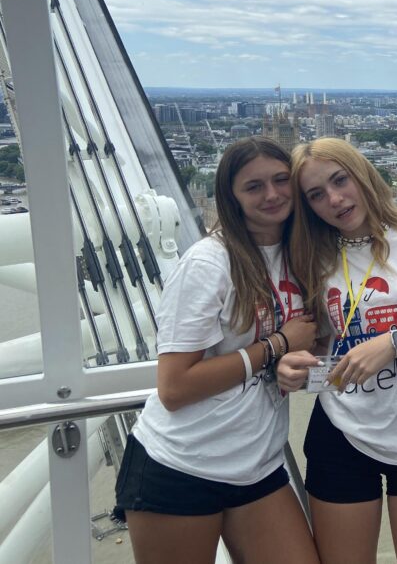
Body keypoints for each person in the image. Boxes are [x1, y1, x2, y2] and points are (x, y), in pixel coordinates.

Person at [114, 137, 320, 564]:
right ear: (232, 198)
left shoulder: (300, 256)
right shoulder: (208, 263)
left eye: (282, 180)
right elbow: (174, 387)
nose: (272, 194)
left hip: (257, 466)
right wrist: (278, 345)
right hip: (180, 466)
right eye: (254, 186)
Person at [277, 137, 397, 564]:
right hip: (342, 431)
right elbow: (322, 341)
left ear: (362, 173)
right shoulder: (314, 256)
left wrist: (394, 343)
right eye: (316, 194)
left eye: (340, 180)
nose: (335, 199)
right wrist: (291, 364)